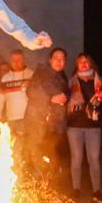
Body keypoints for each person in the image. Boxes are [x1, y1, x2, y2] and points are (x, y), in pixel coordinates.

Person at [66, 53, 102, 202]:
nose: (83, 64)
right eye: (80, 62)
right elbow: (65, 100)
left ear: (91, 63)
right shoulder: (70, 82)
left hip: (93, 125)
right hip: (74, 125)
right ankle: (76, 189)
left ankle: (97, 191)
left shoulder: (99, 81)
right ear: (77, 65)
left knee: (94, 158)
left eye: (86, 62)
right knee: (76, 158)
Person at [24, 47, 69, 181]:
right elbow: (31, 92)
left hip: (54, 124)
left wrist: (65, 97)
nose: (59, 62)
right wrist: (51, 99)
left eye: (62, 59)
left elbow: (65, 94)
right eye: (56, 58)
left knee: (51, 154)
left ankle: (48, 186)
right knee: (39, 153)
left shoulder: (62, 76)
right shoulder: (41, 72)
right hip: (39, 122)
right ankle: (38, 186)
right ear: (50, 60)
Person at [0, 50, 33, 166]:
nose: (16, 62)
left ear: (24, 60)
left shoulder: (31, 75)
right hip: (11, 119)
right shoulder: (5, 78)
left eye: (19, 60)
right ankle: (18, 176)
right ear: (10, 61)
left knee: (30, 149)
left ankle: (32, 176)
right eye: (14, 60)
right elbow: (0, 98)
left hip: (29, 119)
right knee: (15, 150)